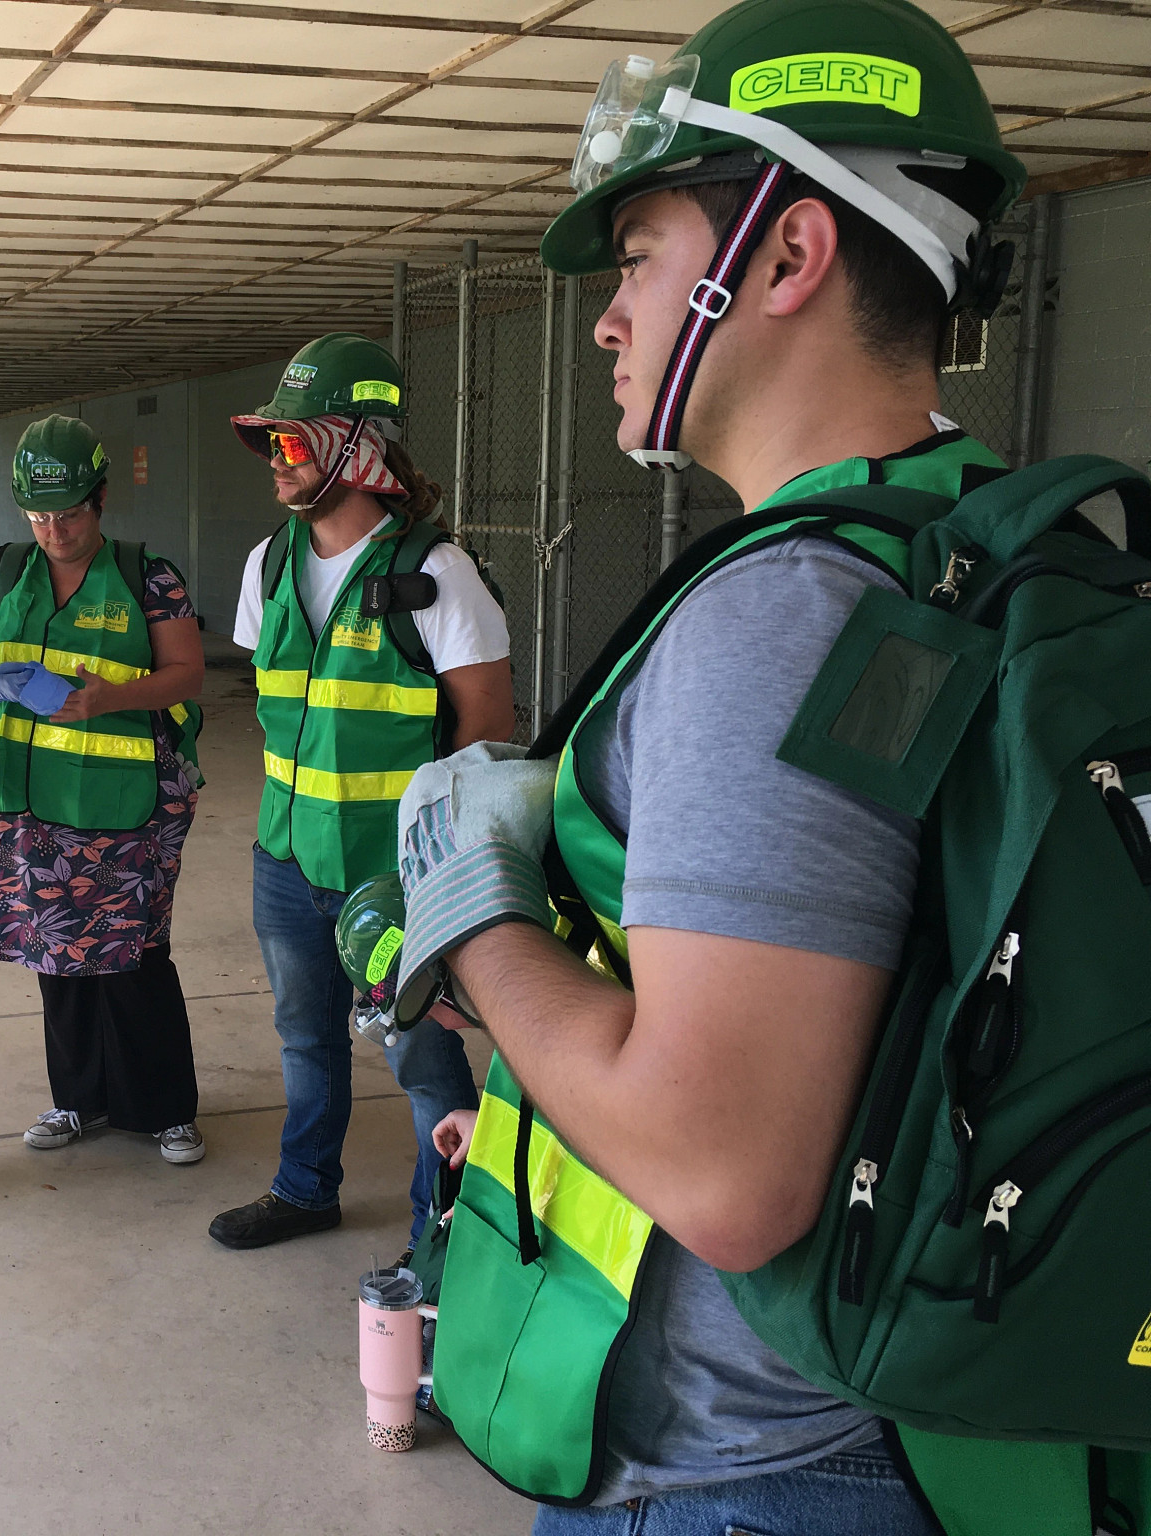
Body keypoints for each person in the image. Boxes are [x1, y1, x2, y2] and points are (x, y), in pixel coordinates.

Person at [400, 0, 1028, 1528]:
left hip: (746, 1480)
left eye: (638, 257)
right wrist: (563, 1101)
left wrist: (469, 917)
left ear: (791, 256)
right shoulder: (976, 544)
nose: (609, 318)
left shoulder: (784, 610)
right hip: (919, 1430)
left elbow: (728, 1169)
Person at [209, 333, 513, 1253]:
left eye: (293, 442)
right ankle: (306, 1189)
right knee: (305, 1040)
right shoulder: (267, 567)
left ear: (359, 447)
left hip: (396, 878)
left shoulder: (439, 576)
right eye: (269, 443)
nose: (275, 462)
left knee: (422, 1056)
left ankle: (451, 1236)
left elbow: (485, 739)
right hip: (285, 856)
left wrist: (437, 874)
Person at [0, 416, 209, 1164]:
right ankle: (76, 1100)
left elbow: (187, 675)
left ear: (100, 500)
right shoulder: (2, 571)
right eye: (38, 516)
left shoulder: (146, 575)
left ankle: (165, 1109)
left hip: (126, 805)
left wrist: (108, 699)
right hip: (28, 802)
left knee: (133, 954)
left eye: (69, 514)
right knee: (53, 955)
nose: (54, 531)